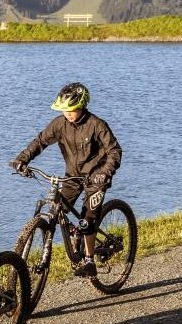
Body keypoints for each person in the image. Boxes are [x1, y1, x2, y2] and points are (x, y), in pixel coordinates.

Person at [10, 83, 123, 277]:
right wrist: (22, 159)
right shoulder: (59, 124)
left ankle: (89, 260)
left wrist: (105, 172)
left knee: (88, 219)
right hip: (73, 176)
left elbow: (114, 151)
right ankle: (74, 233)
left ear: (82, 106)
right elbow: (40, 141)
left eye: (71, 110)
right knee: (58, 209)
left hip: (96, 177)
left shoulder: (97, 125)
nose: (67, 113)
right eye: (64, 110)